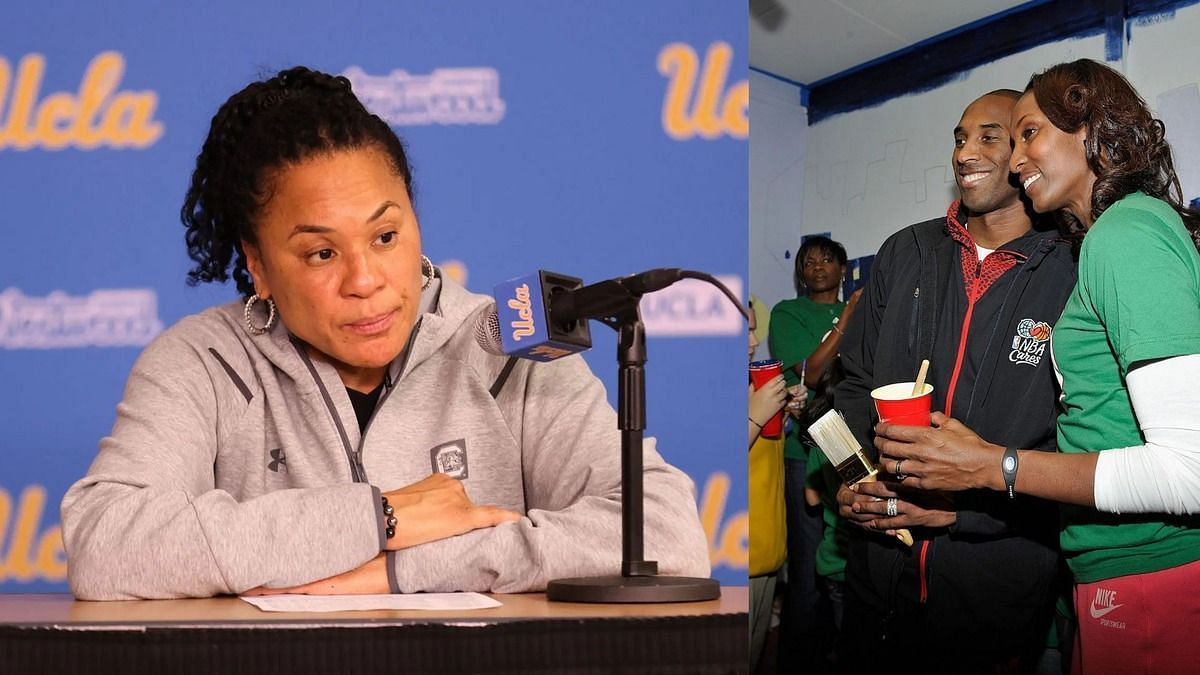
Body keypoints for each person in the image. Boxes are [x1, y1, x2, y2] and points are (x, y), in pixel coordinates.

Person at [58, 66, 711, 600]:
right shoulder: (201, 360)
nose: (365, 279)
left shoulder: (510, 345)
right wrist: (382, 515)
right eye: (321, 253)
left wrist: (410, 567)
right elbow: (104, 543)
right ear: (257, 264)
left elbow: (667, 532)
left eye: (386, 236)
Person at [874, 60, 1200, 674]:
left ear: (1088, 129)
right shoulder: (1112, 236)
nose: (1017, 159)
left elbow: (1190, 472)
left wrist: (994, 466)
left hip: (1152, 569)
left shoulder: (1123, 234)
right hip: (1113, 567)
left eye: (1028, 133)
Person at [832, 90, 1077, 672]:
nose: (966, 152)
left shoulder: (1074, 265)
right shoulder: (904, 252)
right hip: (876, 586)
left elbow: (1083, 445)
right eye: (959, 138)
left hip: (993, 599)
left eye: (989, 136)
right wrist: (850, 478)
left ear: (1025, 150)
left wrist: (960, 512)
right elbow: (848, 386)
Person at [768, 235, 860, 672]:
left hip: (855, 445)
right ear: (800, 274)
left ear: (845, 269)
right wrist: (846, 320)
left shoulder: (868, 310)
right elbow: (811, 371)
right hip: (806, 450)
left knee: (849, 566)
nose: (818, 266)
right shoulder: (789, 314)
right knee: (808, 573)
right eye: (808, 260)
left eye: (828, 259)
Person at [748, 302, 799, 673]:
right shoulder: (705, 391)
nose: (754, 341)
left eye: (754, 330)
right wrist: (755, 414)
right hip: (734, 562)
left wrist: (787, 413)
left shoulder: (752, 387)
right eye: (744, 332)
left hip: (768, 555)